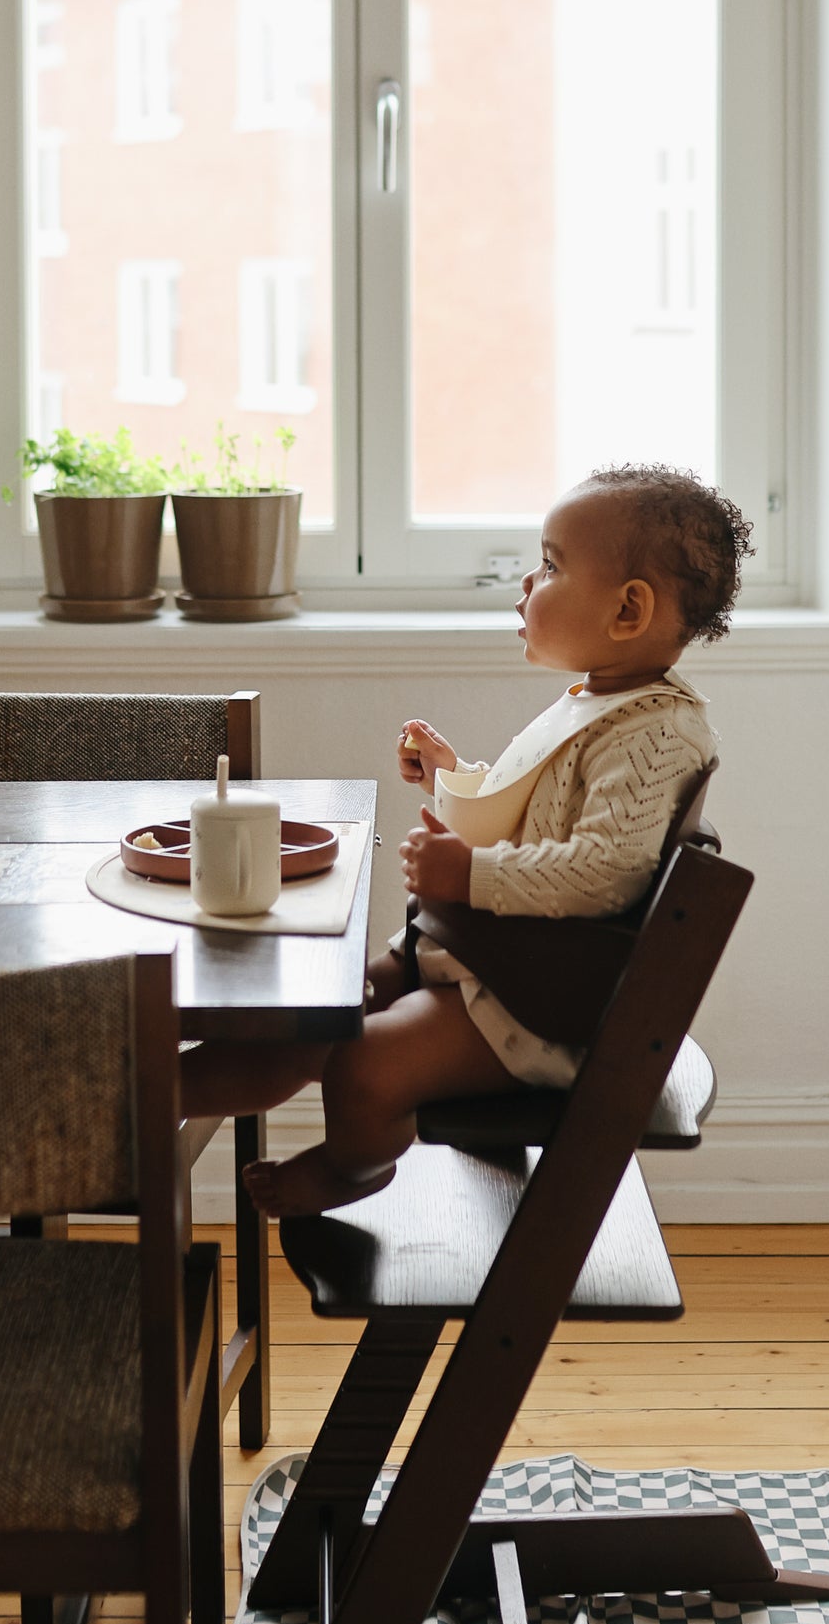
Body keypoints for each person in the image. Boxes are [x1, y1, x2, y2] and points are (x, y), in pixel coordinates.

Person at [181, 462, 748, 1216]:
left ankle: (355, 1167)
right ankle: (156, 1096)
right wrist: (456, 780)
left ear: (627, 611)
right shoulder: (602, 702)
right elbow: (538, 815)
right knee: (310, 1016)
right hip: (485, 964)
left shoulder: (656, 734)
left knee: (367, 1064)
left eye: (550, 566)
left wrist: (470, 876)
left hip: (530, 1005)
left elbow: (604, 872)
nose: (526, 582)